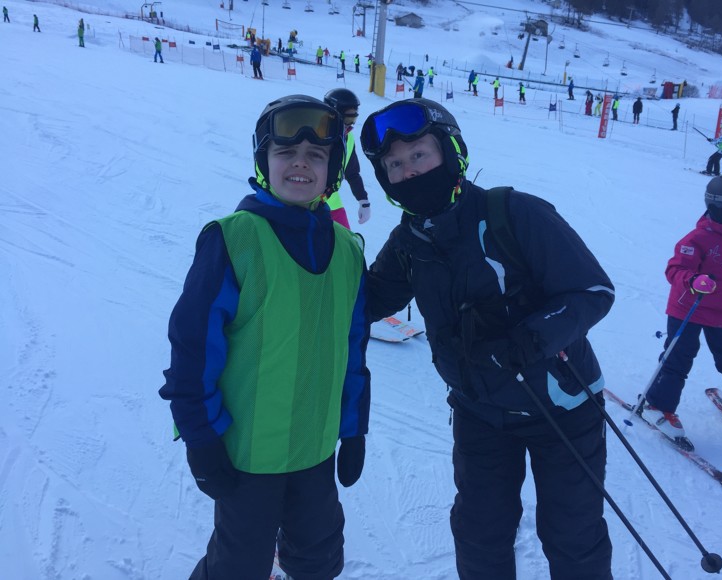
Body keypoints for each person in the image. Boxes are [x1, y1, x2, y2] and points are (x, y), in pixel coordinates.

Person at [360, 98, 614, 579]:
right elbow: (368, 302)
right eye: (394, 165)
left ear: (450, 152)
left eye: (419, 155)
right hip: (479, 411)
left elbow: (592, 291)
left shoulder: (512, 213)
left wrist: (528, 340)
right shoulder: (410, 241)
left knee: (573, 534)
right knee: (479, 533)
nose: (409, 171)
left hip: (562, 406)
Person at [159, 94, 371, 580]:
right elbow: (192, 351)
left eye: (316, 155)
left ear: (332, 168)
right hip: (248, 457)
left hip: (316, 452)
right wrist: (200, 437)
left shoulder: (347, 251)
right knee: (239, 566)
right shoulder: (233, 239)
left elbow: (353, 350)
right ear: (263, 161)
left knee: (319, 559)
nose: (301, 163)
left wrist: (354, 428)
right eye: (285, 152)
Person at [642, 174, 722, 453]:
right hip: (690, 307)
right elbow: (674, 269)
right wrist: (693, 280)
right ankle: (658, 405)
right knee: (679, 358)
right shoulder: (698, 238)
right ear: (718, 208)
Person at [323, 88, 372, 228]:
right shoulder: (316, 135)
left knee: (347, 240)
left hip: (332, 203)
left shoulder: (347, 137)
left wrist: (363, 200)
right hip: (307, 203)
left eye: (354, 118)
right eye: (348, 118)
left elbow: (352, 172)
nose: (350, 124)